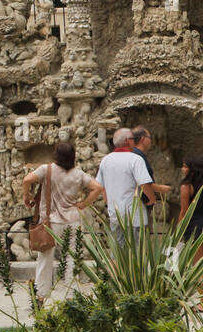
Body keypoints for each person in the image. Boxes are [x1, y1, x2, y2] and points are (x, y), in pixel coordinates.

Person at [22, 142, 102, 301]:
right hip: (73, 220)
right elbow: (97, 188)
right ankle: (71, 295)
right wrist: (84, 204)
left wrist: (27, 196)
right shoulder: (78, 174)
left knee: (45, 259)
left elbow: (27, 180)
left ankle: (40, 295)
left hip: (51, 222)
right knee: (72, 258)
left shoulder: (47, 169)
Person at [81, 128, 155, 248]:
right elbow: (145, 184)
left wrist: (108, 201)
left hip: (115, 214)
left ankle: (114, 268)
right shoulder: (135, 160)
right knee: (135, 252)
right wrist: (152, 199)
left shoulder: (106, 160)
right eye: (133, 139)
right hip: (134, 215)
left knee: (117, 251)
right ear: (127, 141)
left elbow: (100, 186)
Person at [179, 155, 203, 264]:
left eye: (185, 167)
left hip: (192, 226)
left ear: (193, 170)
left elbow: (184, 212)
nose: (182, 169)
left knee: (196, 265)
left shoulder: (186, 187)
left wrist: (178, 231)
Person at [130, 126, 173, 210]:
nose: (151, 140)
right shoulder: (138, 156)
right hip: (136, 204)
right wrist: (160, 190)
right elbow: (143, 183)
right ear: (143, 139)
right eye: (149, 137)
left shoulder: (132, 153)